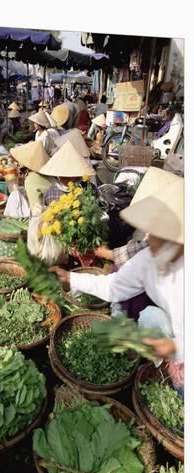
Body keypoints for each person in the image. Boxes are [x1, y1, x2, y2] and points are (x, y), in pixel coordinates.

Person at [49, 175, 184, 390]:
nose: (152, 240)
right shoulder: (148, 257)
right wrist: (70, 278)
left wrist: (177, 346)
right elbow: (113, 287)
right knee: (150, 316)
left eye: (162, 234)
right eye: (153, 232)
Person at [39, 140, 96, 206]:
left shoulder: (88, 188)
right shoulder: (52, 193)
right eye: (64, 176)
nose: (67, 178)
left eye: (70, 175)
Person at [9, 141, 51, 212]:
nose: (16, 165)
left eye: (17, 162)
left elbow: (36, 210)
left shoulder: (31, 179)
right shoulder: (47, 172)